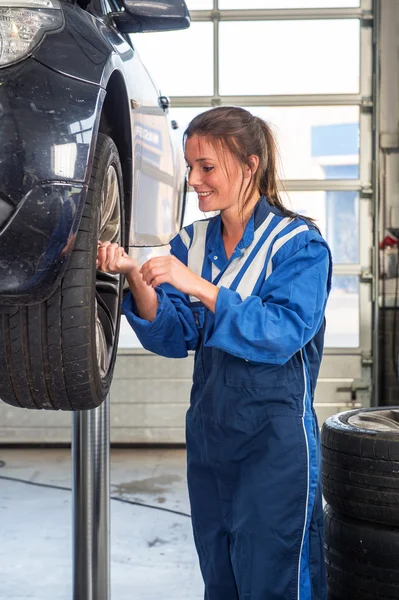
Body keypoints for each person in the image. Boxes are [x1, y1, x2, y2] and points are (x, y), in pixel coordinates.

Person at [97, 106, 332, 600]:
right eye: (189, 167)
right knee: (220, 577)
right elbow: (176, 334)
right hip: (211, 439)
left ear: (249, 167)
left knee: (274, 580)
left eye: (206, 167)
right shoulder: (193, 241)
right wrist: (136, 279)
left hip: (274, 446)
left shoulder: (299, 246)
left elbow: (281, 332)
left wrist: (200, 287)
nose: (194, 181)